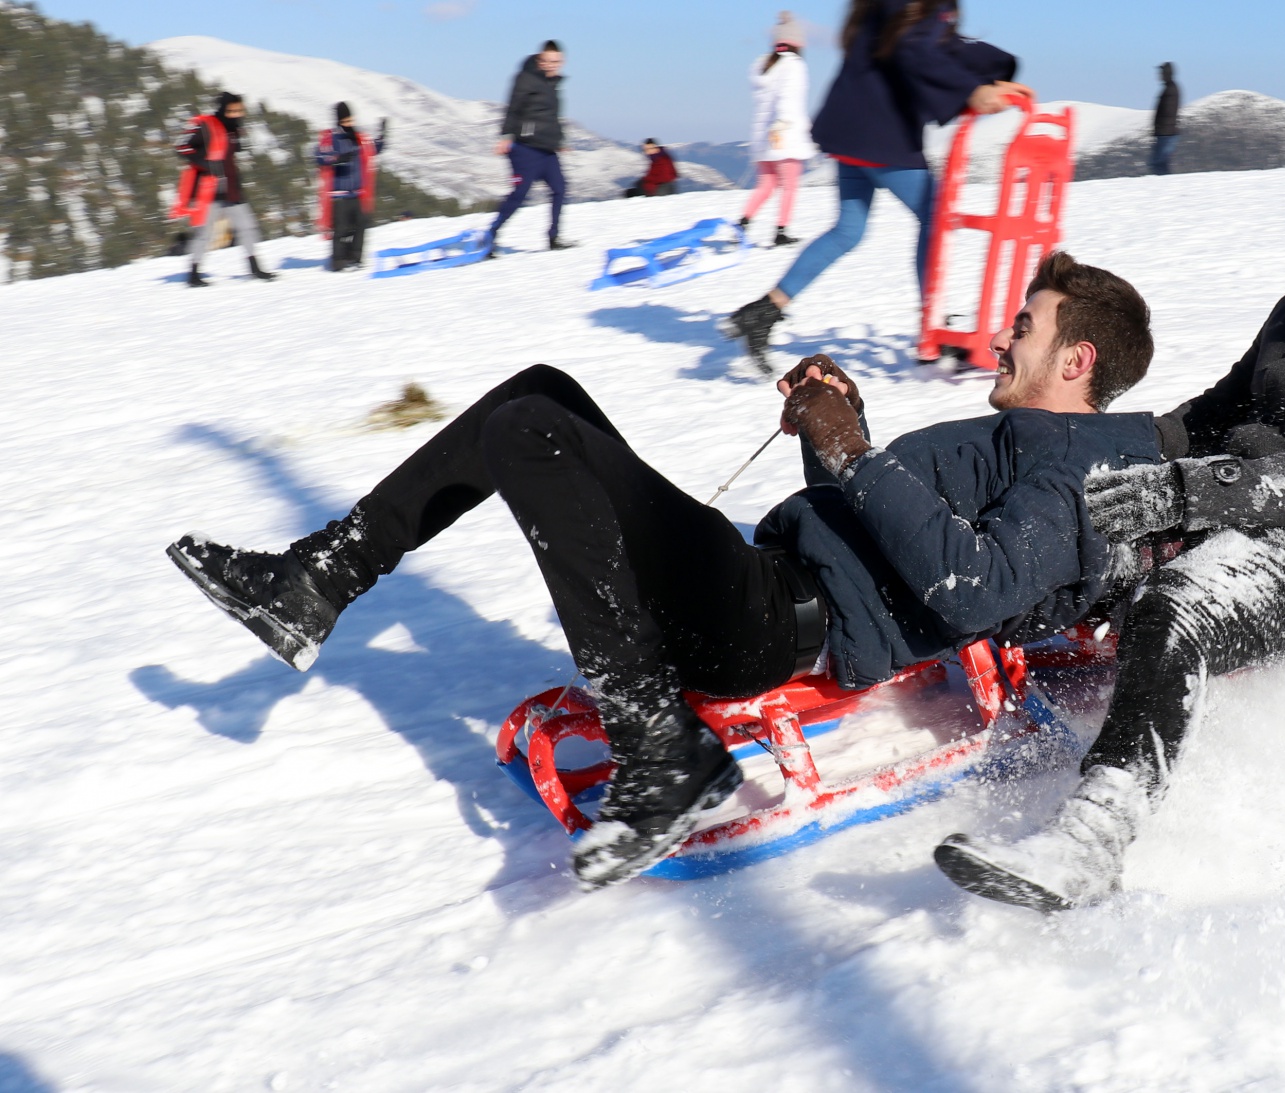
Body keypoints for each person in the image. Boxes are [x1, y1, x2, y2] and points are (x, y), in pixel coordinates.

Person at [165, 252, 1160, 892]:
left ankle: (661, 749)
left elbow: (973, 589)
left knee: (530, 431)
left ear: (1074, 360)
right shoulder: (1021, 440)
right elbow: (890, 528)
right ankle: (317, 578)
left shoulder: (1070, 468)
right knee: (540, 393)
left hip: (769, 621)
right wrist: (832, 430)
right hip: (764, 578)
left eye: (1022, 327)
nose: (1001, 335)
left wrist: (853, 451)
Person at [934, 112, 1285, 913]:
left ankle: (1093, 841)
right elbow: (1208, 418)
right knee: (1063, 531)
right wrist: (1075, 444)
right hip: (1227, 514)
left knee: (1178, 604)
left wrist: (1182, 493)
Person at [722, 0, 1029, 374]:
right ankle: (932, 333)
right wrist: (970, 91)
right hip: (880, 136)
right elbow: (917, 49)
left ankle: (762, 312)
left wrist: (998, 66)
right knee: (935, 219)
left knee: (847, 230)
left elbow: (937, 44)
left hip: (852, 132)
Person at [171, 93, 277, 287]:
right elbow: (181, 147)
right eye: (231, 111)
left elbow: (231, 156)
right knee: (204, 234)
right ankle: (193, 274)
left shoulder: (234, 129)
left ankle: (255, 268)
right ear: (222, 109)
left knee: (247, 227)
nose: (236, 114)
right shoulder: (205, 125)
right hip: (208, 190)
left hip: (232, 189)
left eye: (238, 110)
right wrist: (204, 164)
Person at [739, 11, 816, 248]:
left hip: (763, 137)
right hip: (784, 134)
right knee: (789, 185)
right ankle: (781, 231)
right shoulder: (794, 65)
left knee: (767, 185)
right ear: (798, 43)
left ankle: (742, 224)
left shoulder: (765, 65)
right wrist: (783, 124)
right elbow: (788, 98)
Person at [490, 40, 570, 253]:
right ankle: (491, 234)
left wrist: (559, 140)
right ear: (539, 59)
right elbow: (513, 107)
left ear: (562, 61)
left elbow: (551, 117)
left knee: (560, 189)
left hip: (547, 149)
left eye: (556, 61)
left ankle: (553, 238)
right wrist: (506, 135)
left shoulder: (552, 83)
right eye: (548, 61)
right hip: (525, 149)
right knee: (520, 194)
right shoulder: (526, 78)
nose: (552, 65)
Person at [315, 103, 388, 271]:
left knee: (361, 225)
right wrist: (337, 158)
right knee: (340, 229)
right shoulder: (330, 139)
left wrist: (382, 137)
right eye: (346, 120)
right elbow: (320, 156)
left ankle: (355, 259)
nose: (349, 123)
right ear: (339, 120)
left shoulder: (358, 138)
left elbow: (372, 149)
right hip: (339, 194)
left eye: (351, 120)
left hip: (357, 192)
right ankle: (338, 262)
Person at [1151, 63, 1181, 176]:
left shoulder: (1170, 89)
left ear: (1166, 73)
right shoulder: (1169, 88)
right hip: (1166, 132)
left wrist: (1159, 127)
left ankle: (1165, 188)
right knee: (1159, 163)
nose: (1159, 75)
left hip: (1166, 132)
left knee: (1158, 163)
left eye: (1161, 72)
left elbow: (1168, 112)